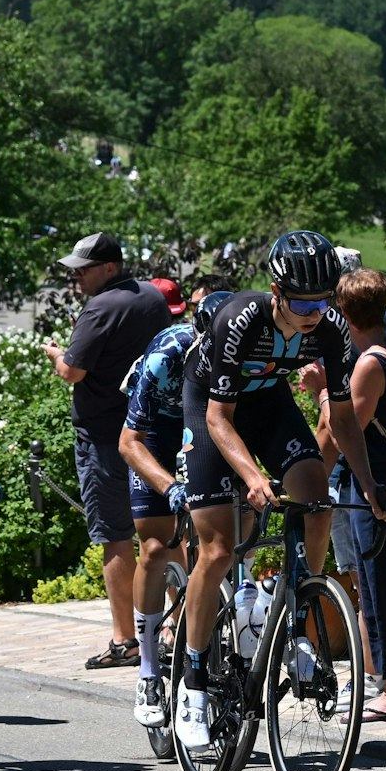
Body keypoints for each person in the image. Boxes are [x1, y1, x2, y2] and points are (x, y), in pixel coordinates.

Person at [173, 231, 386, 753]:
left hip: (268, 402)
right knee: (219, 548)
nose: (314, 312)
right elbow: (218, 418)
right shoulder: (240, 320)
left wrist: (367, 485)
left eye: (324, 300)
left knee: (316, 496)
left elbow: (342, 420)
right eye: (302, 302)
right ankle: (194, 680)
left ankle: (296, 620)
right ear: (276, 290)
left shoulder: (332, 329)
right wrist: (252, 477)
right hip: (211, 406)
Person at [42, 233, 174, 670]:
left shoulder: (101, 307)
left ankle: (126, 640)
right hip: (154, 432)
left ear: (110, 267)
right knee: (163, 531)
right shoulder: (153, 298)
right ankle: (177, 626)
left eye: (84, 267)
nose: (76, 275)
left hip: (103, 436)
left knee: (115, 537)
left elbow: (74, 371)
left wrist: (57, 356)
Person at [313, 268, 386, 724]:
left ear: (343, 313)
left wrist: (322, 392)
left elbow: (345, 431)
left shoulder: (368, 365)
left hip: (378, 488)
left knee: (381, 590)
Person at [116, 291, 230, 729]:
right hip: (155, 431)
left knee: (225, 530)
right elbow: (130, 443)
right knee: (156, 543)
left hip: (205, 422)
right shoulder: (166, 356)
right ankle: (147, 670)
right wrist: (168, 486)